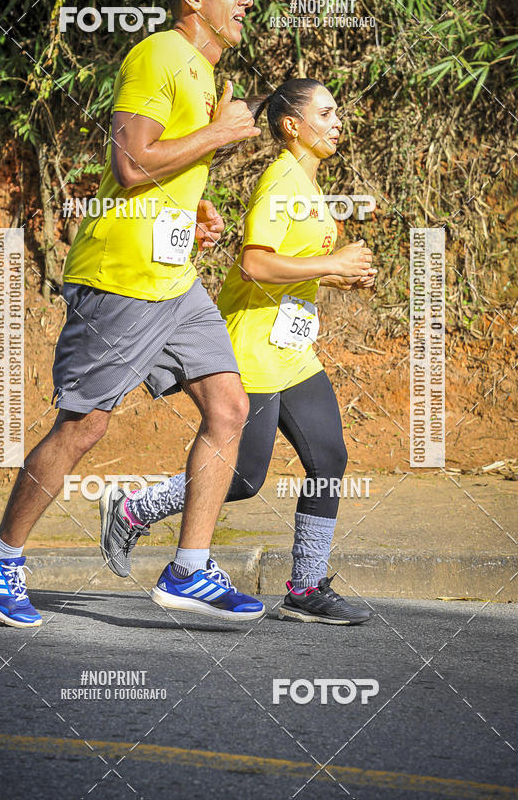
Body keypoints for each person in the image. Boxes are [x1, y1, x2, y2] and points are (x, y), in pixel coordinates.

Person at [0, 0, 266, 627]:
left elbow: (162, 169)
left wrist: (195, 209)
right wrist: (217, 136)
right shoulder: (159, 54)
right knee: (85, 425)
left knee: (229, 407)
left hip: (174, 278)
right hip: (123, 276)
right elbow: (130, 162)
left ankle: (190, 569)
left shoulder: (205, 75)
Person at [102, 78, 377, 624]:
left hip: (294, 352)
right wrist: (332, 264)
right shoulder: (281, 182)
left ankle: (304, 589)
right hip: (252, 348)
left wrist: (336, 278)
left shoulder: (308, 183)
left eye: (337, 111)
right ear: (292, 126)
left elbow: (289, 270)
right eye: (326, 113)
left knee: (329, 457)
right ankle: (135, 507)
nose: (338, 121)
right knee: (245, 479)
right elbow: (254, 263)